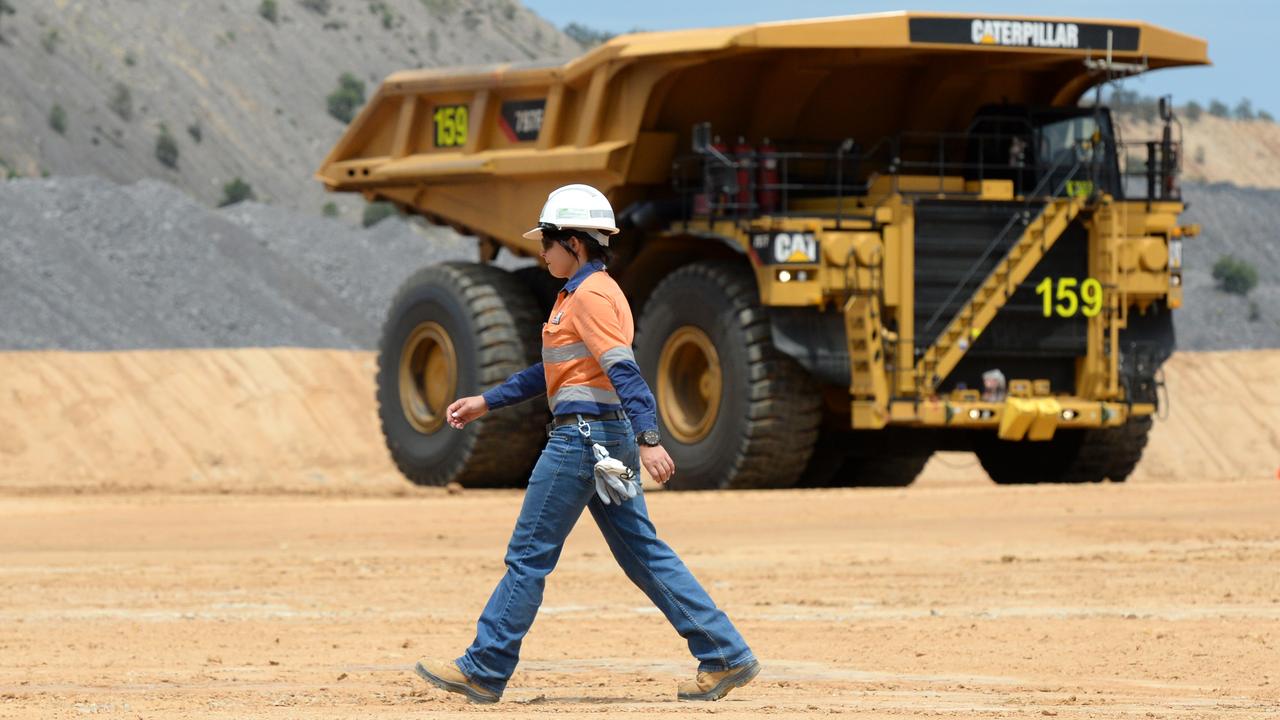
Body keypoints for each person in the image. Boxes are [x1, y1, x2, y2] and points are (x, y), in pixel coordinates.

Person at [414, 184, 759, 703]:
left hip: (582, 442)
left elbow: (624, 368)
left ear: (575, 242)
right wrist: (487, 401)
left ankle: (485, 667)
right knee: (644, 554)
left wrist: (649, 440)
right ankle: (724, 654)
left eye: (548, 240)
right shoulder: (582, 294)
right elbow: (553, 371)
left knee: (529, 555)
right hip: (603, 440)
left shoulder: (592, 296)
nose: (541, 249)